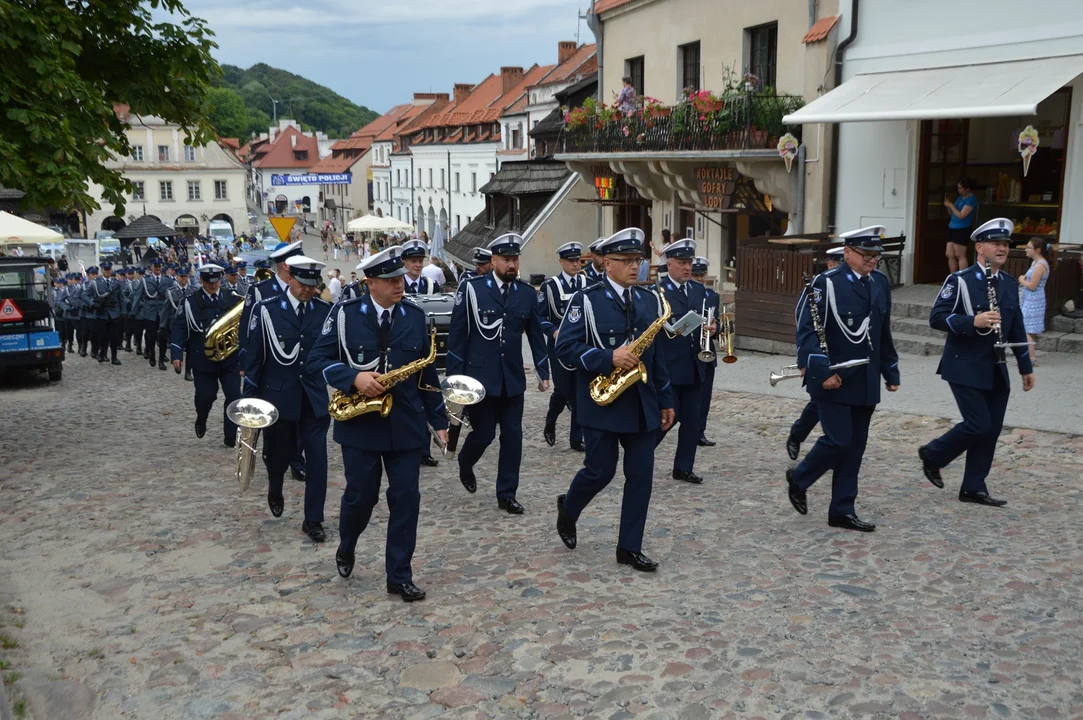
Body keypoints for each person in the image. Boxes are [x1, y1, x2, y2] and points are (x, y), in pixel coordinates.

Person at [307, 246, 449, 602]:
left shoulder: (415, 315)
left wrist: (438, 419)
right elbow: (316, 360)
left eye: (400, 277)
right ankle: (348, 543)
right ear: (371, 282)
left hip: (405, 424)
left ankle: (399, 575)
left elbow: (427, 371)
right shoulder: (344, 314)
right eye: (390, 280)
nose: (399, 284)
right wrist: (352, 378)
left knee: (406, 498)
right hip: (361, 425)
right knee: (361, 497)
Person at [554, 227, 675, 571]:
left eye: (638, 260)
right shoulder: (586, 299)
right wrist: (607, 357)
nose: (634, 267)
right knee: (600, 471)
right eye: (626, 261)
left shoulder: (650, 299)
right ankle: (569, 507)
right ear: (607, 263)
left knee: (641, 474)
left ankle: (629, 548)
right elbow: (565, 349)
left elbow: (658, 357)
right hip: (602, 402)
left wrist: (666, 400)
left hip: (640, 403)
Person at [785, 226, 900, 532]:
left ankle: (842, 508)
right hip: (832, 377)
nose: (872, 260)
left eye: (876, 255)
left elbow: (882, 331)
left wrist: (891, 370)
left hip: (865, 377)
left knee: (855, 447)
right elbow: (806, 330)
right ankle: (800, 477)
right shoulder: (826, 283)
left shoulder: (879, 283)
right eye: (866, 255)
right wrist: (822, 372)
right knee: (838, 440)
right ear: (847, 252)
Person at [919, 218, 1035, 508]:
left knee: (991, 429)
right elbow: (936, 318)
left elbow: (1017, 327)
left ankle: (973, 486)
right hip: (964, 364)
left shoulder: (1008, 283)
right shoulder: (959, 280)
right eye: (997, 243)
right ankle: (933, 454)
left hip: (996, 367)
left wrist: (1025, 367)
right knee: (978, 423)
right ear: (979, 247)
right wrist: (973, 321)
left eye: (1006, 244)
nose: (1003, 248)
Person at [448, 233, 551, 514]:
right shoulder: (472, 290)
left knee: (513, 437)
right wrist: (456, 382)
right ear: (493, 261)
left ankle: (506, 493)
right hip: (480, 380)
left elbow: (536, 335)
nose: (511, 265)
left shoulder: (527, 294)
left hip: (512, 379)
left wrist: (543, 370)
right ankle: (465, 462)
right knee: (483, 435)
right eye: (506, 259)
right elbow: (458, 337)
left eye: (515, 259)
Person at [243, 256, 333, 543]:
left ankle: (313, 518)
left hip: (313, 398)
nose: (307, 290)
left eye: (312, 285)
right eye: (303, 284)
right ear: (290, 278)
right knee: (278, 455)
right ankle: (275, 484)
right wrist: (250, 402)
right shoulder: (267, 310)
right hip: (278, 397)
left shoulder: (323, 311)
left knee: (318, 460)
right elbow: (254, 359)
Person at [240, 241, 309, 482]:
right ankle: (276, 464)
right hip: (271, 367)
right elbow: (247, 331)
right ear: (285, 266)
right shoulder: (261, 290)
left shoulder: (306, 289)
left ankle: (297, 461)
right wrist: (247, 366)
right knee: (276, 424)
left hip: (299, 367)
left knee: (300, 417)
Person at [654, 238, 713, 484]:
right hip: (670, 365)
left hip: (695, 363)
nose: (687, 268)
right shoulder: (658, 292)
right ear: (670, 264)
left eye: (689, 262)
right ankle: (641, 452)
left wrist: (714, 327)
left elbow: (709, 319)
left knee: (691, 420)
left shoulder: (699, 290)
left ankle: (683, 467)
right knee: (668, 418)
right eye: (682, 263)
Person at [170, 264, 245, 446]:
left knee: (234, 397)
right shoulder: (190, 302)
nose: (213, 285)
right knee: (206, 397)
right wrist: (176, 353)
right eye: (209, 282)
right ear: (201, 280)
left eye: (217, 281)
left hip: (230, 359)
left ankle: (230, 436)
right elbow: (179, 328)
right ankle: (201, 418)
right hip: (203, 359)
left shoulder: (233, 299)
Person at [785, 245, 845, 460]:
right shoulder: (818, 286)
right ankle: (798, 435)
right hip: (820, 353)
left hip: (844, 356)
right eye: (839, 264)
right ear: (830, 264)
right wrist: (804, 361)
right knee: (820, 403)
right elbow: (803, 323)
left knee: (830, 404)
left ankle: (835, 446)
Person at [536, 242, 586, 451]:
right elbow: (539, 316)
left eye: (578, 260)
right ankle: (551, 421)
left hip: (582, 345)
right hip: (559, 347)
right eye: (571, 261)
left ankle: (576, 438)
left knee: (580, 393)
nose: (575, 265)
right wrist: (553, 331)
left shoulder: (587, 282)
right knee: (563, 390)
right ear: (562, 262)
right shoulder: (550, 286)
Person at [691, 256, 720, 447]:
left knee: (705, 395)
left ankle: (700, 431)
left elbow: (718, 323)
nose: (700, 278)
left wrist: (716, 328)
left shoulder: (712, 296)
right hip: (690, 352)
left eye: (702, 275)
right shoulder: (689, 295)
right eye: (696, 275)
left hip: (708, 351)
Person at [130, 257, 174, 370]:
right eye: (155, 267)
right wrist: (133, 311)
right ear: (151, 268)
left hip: (163, 311)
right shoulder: (145, 280)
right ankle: (152, 355)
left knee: (163, 336)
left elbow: (173, 296)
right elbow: (137, 295)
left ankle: (161, 359)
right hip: (149, 310)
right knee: (151, 336)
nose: (158, 269)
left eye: (159, 266)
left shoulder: (168, 280)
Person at [1018, 237, 1051, 365]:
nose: (1026, 250)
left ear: (1037, 250)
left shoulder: (1040, 266)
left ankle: (1031, 359)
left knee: (1028, 329)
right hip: (1030, 298)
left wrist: (1021, 280)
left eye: (1029, 248)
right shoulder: (1035, 263)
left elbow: (1032, 285)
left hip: (1034, 299)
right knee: (1027, 328)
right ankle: (1028, 357)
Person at [161, 265, 193, 381]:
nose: (184, 279)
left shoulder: (193, 290)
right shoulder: (171, 291)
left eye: (186, 276)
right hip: (176, 322)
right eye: (182, 277)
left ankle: (188, 371)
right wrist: (163, 325)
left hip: (190, 323)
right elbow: (166, 308)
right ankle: (178, 362)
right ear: (177, 277)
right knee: (177, 345)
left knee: (190, 348)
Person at [944, 177, 978, 273]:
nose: (958, 190)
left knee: (960, 255)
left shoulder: (971, 199)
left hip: (962, 228)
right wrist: (949, 206)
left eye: (960, 188)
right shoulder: (960, 198)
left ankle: (962, 277)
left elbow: (961, 215)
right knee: (949, 254)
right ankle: (953, 277)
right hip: (952, 227)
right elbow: (953, 213)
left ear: (967, 189)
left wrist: (951, 205)